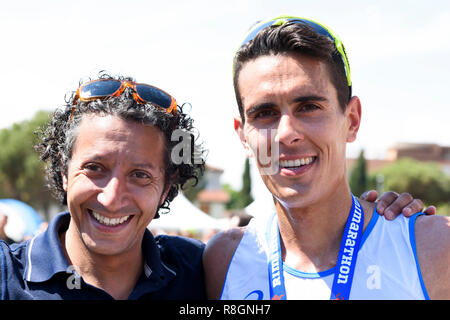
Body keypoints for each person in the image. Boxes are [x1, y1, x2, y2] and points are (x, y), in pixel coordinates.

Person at [204, 15, 449, 300]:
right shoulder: (222, 259)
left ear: (352, 120)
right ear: (243, 134)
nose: (286, 133)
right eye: (264, 113)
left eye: (308, 106)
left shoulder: (433, 248)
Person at [0, 74, 206, 300]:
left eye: (139, 175)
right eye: (95, 168)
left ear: (166, 188)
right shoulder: (7, 276)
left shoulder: (199, 272)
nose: (111, 199)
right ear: (64, 171)